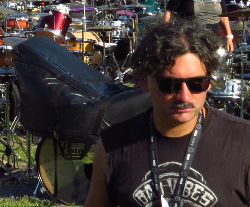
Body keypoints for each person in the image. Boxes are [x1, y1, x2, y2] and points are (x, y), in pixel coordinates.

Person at [84, 21, 250, 207]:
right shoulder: (112, 145)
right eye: (169, 85)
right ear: (145, 82)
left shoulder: (244, 143)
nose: (184, 95)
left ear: (210, 82)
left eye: (197, 83)